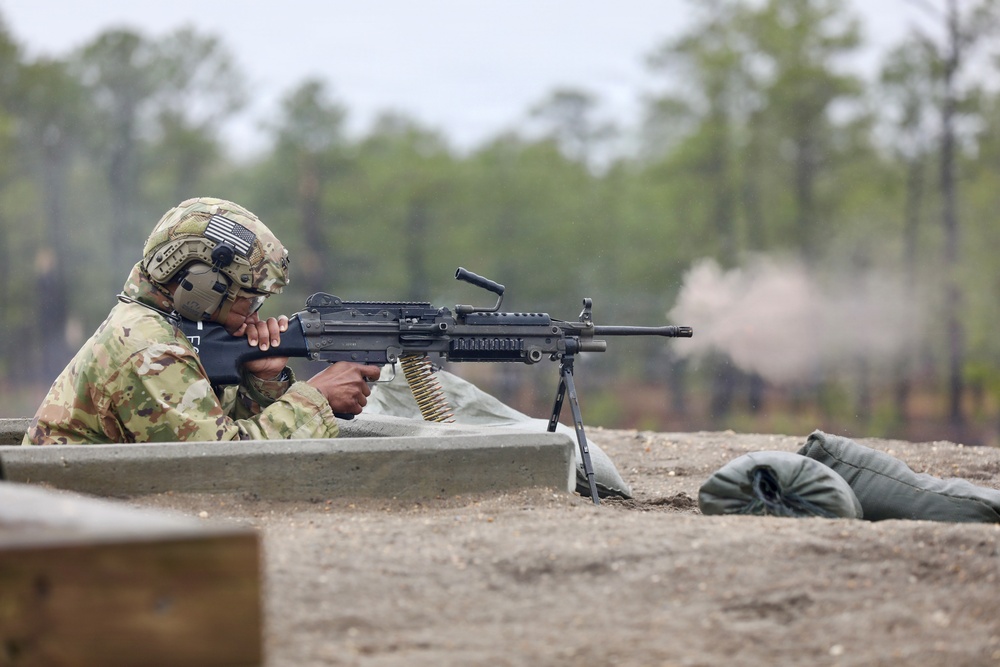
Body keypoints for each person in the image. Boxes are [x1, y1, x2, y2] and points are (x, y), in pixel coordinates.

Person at [23, 196, 381, 445]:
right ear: (204, 285)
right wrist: (316, 397)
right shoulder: (149, 348)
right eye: (249, 295)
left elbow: (214, 427)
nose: (255, 311)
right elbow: (218, 463)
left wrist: (264, 381)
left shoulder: (160, 327)